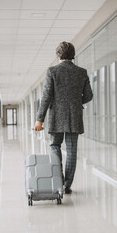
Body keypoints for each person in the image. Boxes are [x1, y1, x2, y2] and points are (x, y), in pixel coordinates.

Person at [34, 41, 93, 194]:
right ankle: (67, 185)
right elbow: (88, 96)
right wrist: (75, 102)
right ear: (73, 55)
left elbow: (46, 97)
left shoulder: (52, 71)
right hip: (75, 116)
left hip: (56, 116)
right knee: (72, 150)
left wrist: (39, 119)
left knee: (54, 146)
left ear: (58, 54)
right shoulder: (82, 72)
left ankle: (57, 180)